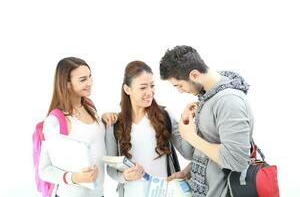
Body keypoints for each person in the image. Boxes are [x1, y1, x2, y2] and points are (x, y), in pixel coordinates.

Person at [160, 45, 253, 197]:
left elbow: (236, 160)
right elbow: (206, 152)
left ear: (194, 75)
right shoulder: (207, 98)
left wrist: (191, 136)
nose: (180, 91)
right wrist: (188, 171)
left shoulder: (229, 101)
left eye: (179, 85)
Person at [105, 60, 193, 197]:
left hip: (165, 192)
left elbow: (188, 153)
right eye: (143, 87)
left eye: (152, 86)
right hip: (131, 193)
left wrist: (186, 124)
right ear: (127, 89)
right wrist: (126, 177)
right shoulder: (114, 124)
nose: (150, 92)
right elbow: (111, 169)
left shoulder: (165, 116)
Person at [39, 57, 106, 197]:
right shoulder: (55, 122)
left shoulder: (90, 107)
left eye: (90, 77)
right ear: (67, 84)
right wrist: (75, 178)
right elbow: (44, 170)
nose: (89, 83)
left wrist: (107, 119)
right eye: (83, 79)